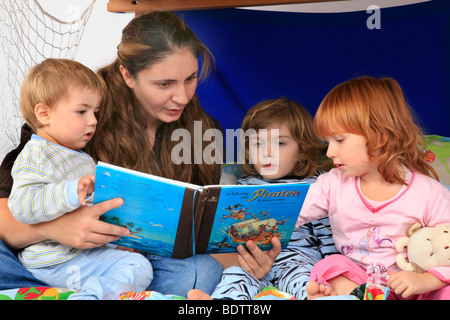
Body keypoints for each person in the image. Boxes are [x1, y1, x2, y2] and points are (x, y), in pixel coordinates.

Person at [0, 11, 278, 296]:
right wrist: (56, 228)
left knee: (202, 271)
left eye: (191, 78)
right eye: (164, 84)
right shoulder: (77, 112)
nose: (182, 97)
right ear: (127, 75)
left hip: (129, 265)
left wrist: (249, 259)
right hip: (51, 255)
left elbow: (203, 242)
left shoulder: (203, 130)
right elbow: (6, 215)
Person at [7, 58, 153, 300]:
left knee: (137, 263)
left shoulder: (77, 155)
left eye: (95, 112)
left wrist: (116, 242)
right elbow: (22, 206)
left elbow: (90, 215)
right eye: (81, 111)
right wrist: (70, 192)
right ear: (44, 114)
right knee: (137, 268)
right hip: (54, 261)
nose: (93, 120)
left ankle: (92, 292)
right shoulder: (36, 155)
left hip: (79, 254)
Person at [297, 76, 450, 300]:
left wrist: (425, 280)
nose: (329, 152)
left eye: (339, 140)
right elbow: (292, 211)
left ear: (379, 137)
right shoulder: (332, 184)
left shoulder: (428, 193)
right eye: (327, 141)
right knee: (327, 266)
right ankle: (354, 296)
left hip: (416, 286)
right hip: (364, 284)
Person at [188, 97, 337, 300]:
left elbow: (328, 236)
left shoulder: (316, 185)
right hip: (252, 261)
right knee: (235, 276)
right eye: (257, 144)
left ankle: (313, 297)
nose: (267, 153)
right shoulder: (244, 184)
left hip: (297, 260)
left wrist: (336, 272)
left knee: (305, 280)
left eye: (280, 143)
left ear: (302, 149)